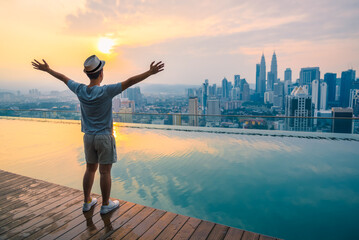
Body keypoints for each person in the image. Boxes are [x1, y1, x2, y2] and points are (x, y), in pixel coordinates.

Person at [32, 55, 164, 214]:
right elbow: (129, 82)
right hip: (104, 137)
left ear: (88, 74)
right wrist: (149, 72)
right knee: (105, 172)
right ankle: (105, 204)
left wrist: (47, 70)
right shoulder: (106, 91)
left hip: (88, 137)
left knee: (90, 169)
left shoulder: (80, 90)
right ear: (101, 72)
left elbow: (63, 78)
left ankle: (87, 202)